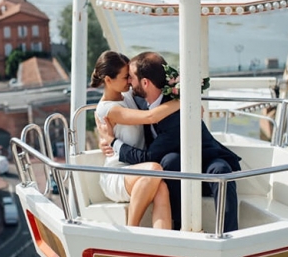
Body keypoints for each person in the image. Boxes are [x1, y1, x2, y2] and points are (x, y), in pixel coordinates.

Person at [98, 51, 242, 233]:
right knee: (170, 162)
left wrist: (113, 142)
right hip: (175, 161)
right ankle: (179, 226)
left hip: (205, 159)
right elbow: (108, 108)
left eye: (131, 78)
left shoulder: (176, 114)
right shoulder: (139, 100)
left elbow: (148, 154)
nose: (129, 83)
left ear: (145, 83)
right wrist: (104, 138)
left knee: (221, 172)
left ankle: (229, 233)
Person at [90, 51, 179, 229]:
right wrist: (185, 100)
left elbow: (152, 82)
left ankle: (164, 245)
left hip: (139, 168)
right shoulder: (110, 109)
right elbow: (150, 117)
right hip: (117, 174)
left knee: (161, 188)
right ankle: (132, 230)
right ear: (108, 80)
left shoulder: (127, 95)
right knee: (155, 169)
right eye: (125, 77)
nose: (130, 81)